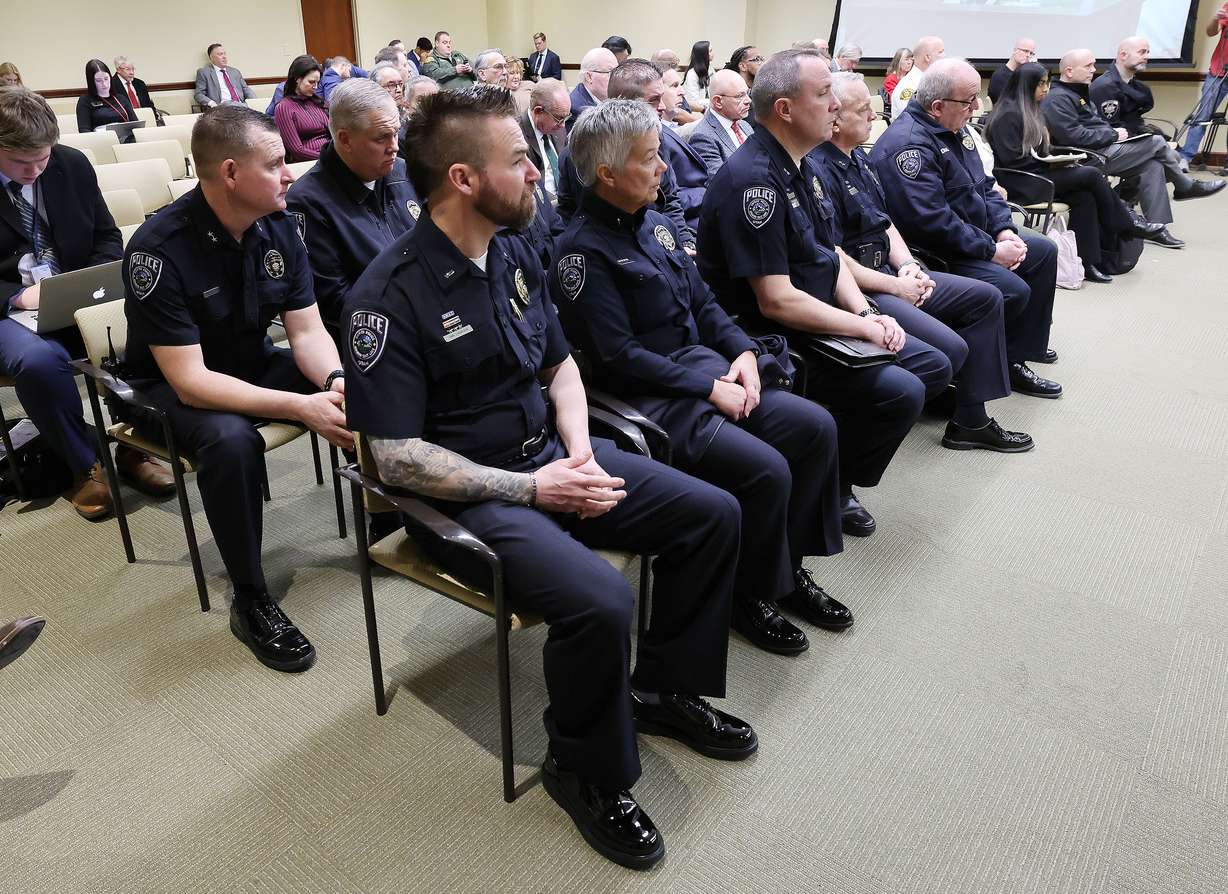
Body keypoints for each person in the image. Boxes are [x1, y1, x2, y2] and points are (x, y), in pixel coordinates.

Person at [342, 86, 754, 870]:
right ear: (464, 179)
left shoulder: (514, 246)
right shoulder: (386, 298)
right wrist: (536, 489)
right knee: (602, 602)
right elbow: (393, 458)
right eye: (521, 160)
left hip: (552, 459)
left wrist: (579, 451)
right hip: (470, 500)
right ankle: (584, 770)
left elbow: (560, 362)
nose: (539, 172)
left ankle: (662, 691)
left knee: (712, 514)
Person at [556, 99, 852, 656]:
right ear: (607, 173)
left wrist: (740, 351)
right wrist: (709, 387)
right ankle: (750, 595)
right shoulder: (581, 253)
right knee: (766, 470)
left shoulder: (658, 227)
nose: (664, 169)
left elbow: (706, 304)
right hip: (652, 400)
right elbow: (619, 357)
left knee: (815, 429)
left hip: (708, 371)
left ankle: (786, 571)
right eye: (651, 160)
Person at [121, 105, 353, 672]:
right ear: (229, 173)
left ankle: (409, 514)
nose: (289, 174)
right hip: (167, 387)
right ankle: (251, 596)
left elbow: (307, 330)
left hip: (248, 363)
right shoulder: (158, 248)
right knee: (231, 442)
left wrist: (334, 381)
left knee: (363, 384)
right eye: (275, 164)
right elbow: (192, 382)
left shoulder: (278, 223)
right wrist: (300, 404)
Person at [698, 49, 953, 538]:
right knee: (902, 390)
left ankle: (833, 482)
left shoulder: (804, 166)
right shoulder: (755, 182)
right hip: (771, 334)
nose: (835, 104)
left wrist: (866, 309)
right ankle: (829, 490)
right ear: (785, 110)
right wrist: (863, 325)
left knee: (927, 369)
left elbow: (829, 256)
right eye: (823, 94)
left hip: (823, 309)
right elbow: (775, 300)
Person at [814, 72, 1032, 452]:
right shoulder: (818, 169)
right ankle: (940, 404)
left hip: (890, 269)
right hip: (863, 287)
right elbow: (836, 257)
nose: (875, 116)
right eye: (864, 110)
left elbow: (886, 222)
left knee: (986, 298)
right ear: (835, 119)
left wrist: (908, 265)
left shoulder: (858, 159)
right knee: (951, 351)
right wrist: (896, 284)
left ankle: (969, 418)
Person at [0, 87, 172, 518]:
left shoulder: (70, 164)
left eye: (43, 158)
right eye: (23, 163)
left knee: (140, 325)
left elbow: (107, 236)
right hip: (8, 308)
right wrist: (18, 295)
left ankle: (136, 446)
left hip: (73, 293)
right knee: (41, 363)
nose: (36, 171)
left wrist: (90, 280)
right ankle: (85, 464)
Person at [872, 58, 1062, 400]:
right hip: (936, 251)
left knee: (1043, 250)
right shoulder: (910, 145)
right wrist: (991, 250)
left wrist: (1005, 231)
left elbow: (985, 186)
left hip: (974, 237)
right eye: (969, 100)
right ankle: (986, 373)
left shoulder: (957, 130)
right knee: (1012, 289)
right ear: (937, 106)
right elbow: (932, 223)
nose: (977, 107)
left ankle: (1016, 357)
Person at [986, 63, 1162, 282]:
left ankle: (1087, 263)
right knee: (1090, 174)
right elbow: (1013, 161)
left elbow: (1041, 151)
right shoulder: (1007, 114)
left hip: (1039, 175)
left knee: (1084, 197)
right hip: (1021, 182)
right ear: (1026, 85)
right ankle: (1127, 223)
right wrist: (1050, 163)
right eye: (1041, 84)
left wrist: (1059, 160)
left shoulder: (1031, 110)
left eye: (1047, 83)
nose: (1046, 88)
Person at [1043, 49, 1223, 248]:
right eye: (1088, 66)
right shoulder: (1058, 98)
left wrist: (1112, 134)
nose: (1093, 71)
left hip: (1104, 148)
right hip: (1086, 157)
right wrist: (1112, 134)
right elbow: (1072, 136)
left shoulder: (1078, 93)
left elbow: (1095, 124)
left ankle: (1158, 227)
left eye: (1093, 65)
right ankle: (1184, 185)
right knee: (1156, 142)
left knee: (1152, 165)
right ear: (1069, 71)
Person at [286, 79, 419, 335]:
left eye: (395, 133)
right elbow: (335, 301)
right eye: (382, 138)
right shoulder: (307, 202)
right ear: (345, 140)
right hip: (376, 335)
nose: (394, 146)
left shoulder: (401, 172)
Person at [1180, 2, 1228, 167]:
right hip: (1219, 71)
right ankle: (1185, 157)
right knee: (1202, 115)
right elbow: (1210, 31)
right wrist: (1216, 19)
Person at [689, 68, 754, 176]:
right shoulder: (703, 137)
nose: (748, 100)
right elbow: (719, 183)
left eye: (747, 93)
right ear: (718, 101)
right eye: (740, 96)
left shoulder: (745, 125)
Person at [273, 55, 328, 162]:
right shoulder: (284, 108)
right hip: (310, 163)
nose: (316, 87)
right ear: (297, 79)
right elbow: (297, 151)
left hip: (330, 155)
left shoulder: (318, 102)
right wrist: (329, 158)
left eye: (318, 83)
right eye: (311, 82)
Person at [520, 78, 568, 196]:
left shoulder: (558, 128)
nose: (563, 125)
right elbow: (526, 187)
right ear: (538, 111)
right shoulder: (517, 135)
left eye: (566, 117)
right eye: (559, 118)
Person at [76, 60, 135, 139]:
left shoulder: (120, 98)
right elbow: (84, 131)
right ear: (91, 82)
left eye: (106, 79)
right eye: (98, 81)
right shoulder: (85, 101)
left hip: (126, 138)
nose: (104, 84)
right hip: (100, 141)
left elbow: (135, 124)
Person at [891, 36, 944, 120]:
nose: (944, 56)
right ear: (927, 57)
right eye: (940, 52)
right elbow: (913, 121)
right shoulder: (909, 86)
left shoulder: (931, 81)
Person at [567, 47, 617, 131]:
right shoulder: (578, 111)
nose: (616, 78)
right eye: (610, 73)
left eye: (616, 72)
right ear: (589, 77)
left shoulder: (606, 100)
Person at [194, 43, 255, 109]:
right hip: (223, 107)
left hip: (241, 106)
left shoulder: (235, 72)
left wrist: (254, 101)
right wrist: (212, 104)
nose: (224, 56)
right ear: (211, 58)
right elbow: (199, 94)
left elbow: (246, 89)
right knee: (230, 104)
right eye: (220, 54)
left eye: (224, 54)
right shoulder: (204, 72)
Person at [988, 38, 1036, 104]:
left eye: (1031, 53)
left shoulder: (1024, 75)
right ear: (1015, 50)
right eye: (1025, 51)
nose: (1028, 55)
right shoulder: (999, 76)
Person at [684, 41, 713, 112]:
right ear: (703, 54)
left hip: (709, 108)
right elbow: (693, 101)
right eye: (710, 51)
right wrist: (712, 102)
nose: (713, 53)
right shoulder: (692, 74)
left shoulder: (710, 69)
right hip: (696, 111)